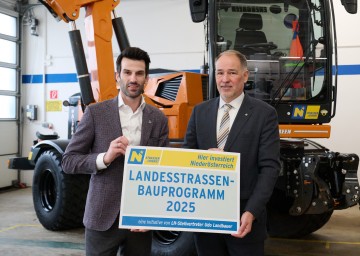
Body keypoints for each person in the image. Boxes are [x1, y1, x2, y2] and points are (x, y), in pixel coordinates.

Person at [62, 47, 169, 256]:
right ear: (117, 76)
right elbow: (69, 161)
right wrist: (105, 158)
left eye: (139, 73)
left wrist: (152, 215)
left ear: (146, 78)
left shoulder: (158, 119)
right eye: (127, 72)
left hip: (139, 220)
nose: (133, 78)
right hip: (102, 217)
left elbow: (164, 171)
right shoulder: (95, 113)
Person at [183, 50, 280, 256]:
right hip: (206, 219)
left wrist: (251, 211)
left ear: (245, 76)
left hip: (243, 220)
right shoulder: (200, 112)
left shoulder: (265, 114)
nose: (225, 79)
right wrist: (202, 159)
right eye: (219, 73)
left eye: (232, 73)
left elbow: (270, 168)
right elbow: (186, 159)